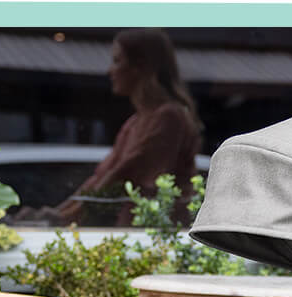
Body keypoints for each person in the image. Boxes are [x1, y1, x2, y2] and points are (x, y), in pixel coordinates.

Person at [49, 29, 202, 226]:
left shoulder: (169, 117)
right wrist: (57, 212)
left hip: (159, 236)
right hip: (136, 230)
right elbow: (102, 177)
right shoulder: (135, 122)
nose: (110, 71)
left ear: (141, 67)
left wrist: (63, 217)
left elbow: (122, 175)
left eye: (117, 61)